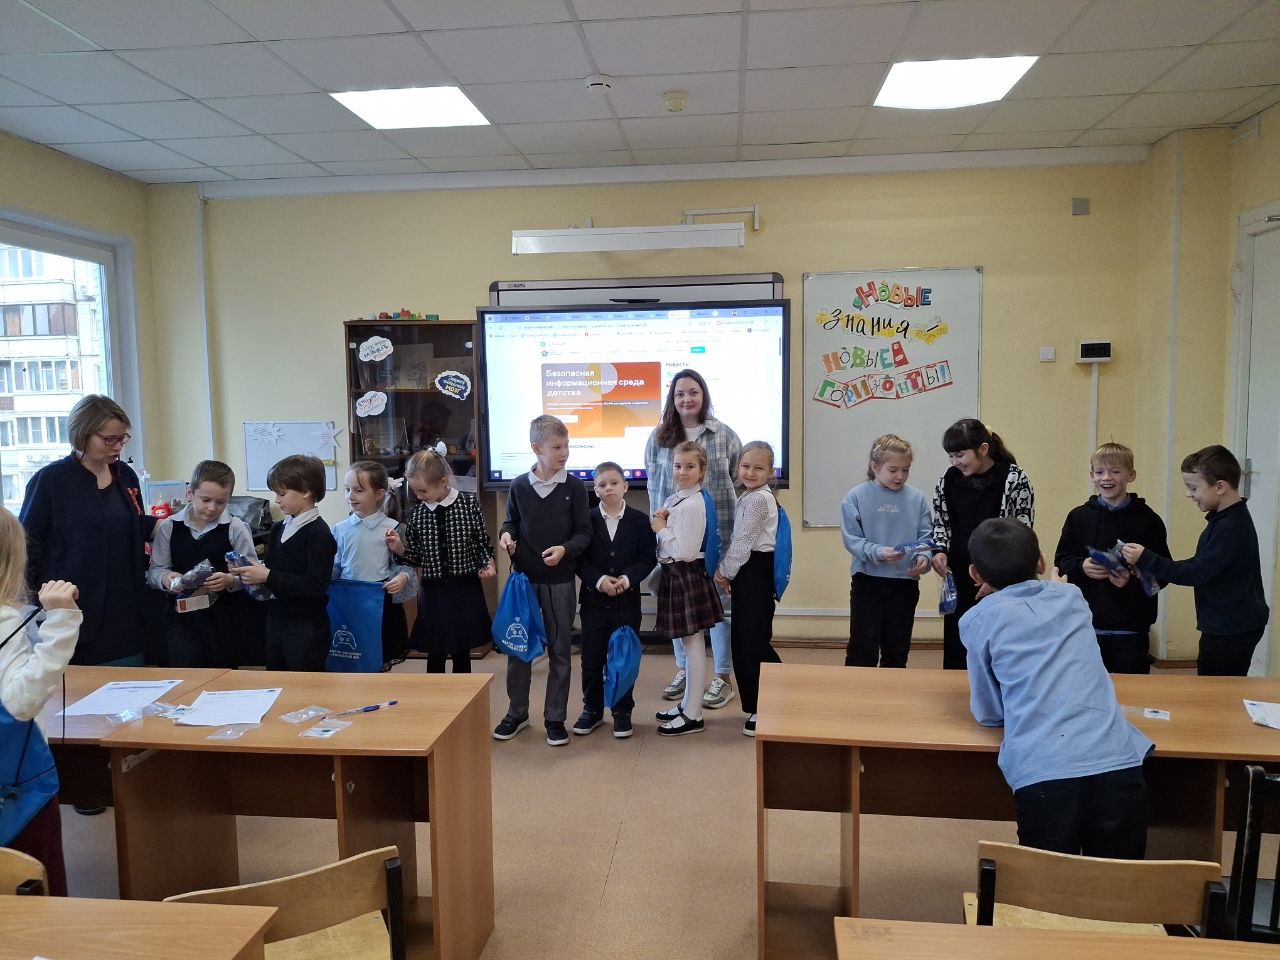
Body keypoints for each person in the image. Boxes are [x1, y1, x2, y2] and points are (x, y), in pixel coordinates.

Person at [962, 518, 1153, 858]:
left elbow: (989, 713)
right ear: (1041, 562)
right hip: (1120, 767)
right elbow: (1052, 598)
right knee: (1119, 880)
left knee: (1049, 882)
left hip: (1044, 776)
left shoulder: (978, 619)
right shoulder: (1072, 595)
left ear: (975, 574)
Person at [19, 394, 155, 666]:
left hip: (124, 611)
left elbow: (134, 527)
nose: (118, 446)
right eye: (109, 440)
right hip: (73, 611)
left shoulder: (125, 476)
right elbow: (27, 547)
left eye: (122, 438)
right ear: (83, 435)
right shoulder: (51, 481)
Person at [1122, 445, 1270, 676]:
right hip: (1227, 622)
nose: (1188, 494)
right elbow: (1200, 562)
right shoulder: (1224, 519)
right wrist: (1150, 561)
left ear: (1219, 487)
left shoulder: (1231, 528)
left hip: (1232, 627)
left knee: (1217, 686)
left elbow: (1196, 573)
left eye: (1193, 488)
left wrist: (1147, 559)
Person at [644, 369, 741, 710]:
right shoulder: (658, 438)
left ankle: (722, 677)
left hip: (716, 535)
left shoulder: (724, 435)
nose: (687, 399)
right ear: (672, 399)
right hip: (673, 537)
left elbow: (737, 481)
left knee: (721, 607)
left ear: (703, 395)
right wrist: (660, 529)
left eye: (693, 392)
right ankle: (685, 670)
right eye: (680, 393)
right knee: (679, 605)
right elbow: (654, 484)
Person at [494, 416, 591, 746]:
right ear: (537, 448)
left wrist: (565, 550)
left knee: (560, 651)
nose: (564, 453)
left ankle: (554, 717)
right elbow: (510, 523)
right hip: (524, 582)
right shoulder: (519, 486)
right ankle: (517, 712)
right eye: (557, 447)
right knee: (519, 649)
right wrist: (506, 537)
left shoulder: (574, 487)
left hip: (560, 582)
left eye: (567, 446)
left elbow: (584, 533)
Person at [0, 506, 82, 896]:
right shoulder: (4, 620)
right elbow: (18, 704)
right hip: (15, 789)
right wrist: (62, 623)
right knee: (33, 892)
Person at [1054, 442, 1170, 674]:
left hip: (1131, 627)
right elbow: (1062, 562)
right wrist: (1081, 566)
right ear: (1091, 476)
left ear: (1131, 475)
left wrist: (1129, 580)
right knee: (1087, 685)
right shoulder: (1078, 517)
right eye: (1099, 472)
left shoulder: (1149, 520)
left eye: (1115, 471)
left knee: (1132, 689)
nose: (1106, 477)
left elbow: (1162, 574)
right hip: (1086, 623)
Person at [930, 419, 1034, 669]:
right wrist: (940, 550)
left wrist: (998, 576)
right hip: (960, 571)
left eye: (960, 455)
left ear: (983, 449)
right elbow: (940, 520)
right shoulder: (948, 478)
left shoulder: (1014, 478)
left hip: (999, 573)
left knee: (996, 639)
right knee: (959, 638)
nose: (955, 462)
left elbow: (1022, 531)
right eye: (951, 456)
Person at [387, 449, 494, 674]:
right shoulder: (417, 514)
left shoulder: (469, 504)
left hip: (464, 589)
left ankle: (464, 692)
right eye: (414, 491)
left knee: (461, 649)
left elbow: (481, 541)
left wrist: (487, 562)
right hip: (433, 592)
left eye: (423, 490)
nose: (418, 496)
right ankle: (435, 691)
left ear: (443, 482)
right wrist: (399, 549)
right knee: (435, 650)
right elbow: (416, 556)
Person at [146, 460, 256, 668]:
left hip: (224, 620)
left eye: (221, 502)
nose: (212, 508)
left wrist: (230, 580)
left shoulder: (236, 527)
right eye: (205, 500)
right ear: (190, 494)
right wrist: (166, 578)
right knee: (184, 672)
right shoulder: (169, 527)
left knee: (223, 674)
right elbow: (155, 571)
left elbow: (252, 574)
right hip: (181, 620)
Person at [231, 455, 336, 672]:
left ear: (306, 491)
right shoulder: (279, 528)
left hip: (306, 627)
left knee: (303, 683)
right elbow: (273, 571)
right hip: (277, 620)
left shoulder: (318, 534)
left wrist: (267, 575)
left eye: (282, 493)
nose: (277, 500)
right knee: (276, 677)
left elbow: (315, 586)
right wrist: (249, 569)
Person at [574, 461, 656, 740]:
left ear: (625, 486)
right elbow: (579, 559)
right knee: (591, 659)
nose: (608, 488)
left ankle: (622, 711)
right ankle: (592, 709)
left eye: (614, 483)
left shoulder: (640, 521)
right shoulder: (585, 521)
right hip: (593, 603)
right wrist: (599, 581)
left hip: (627, 602)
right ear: (595, 489)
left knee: (624, 659)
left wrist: (628, 578)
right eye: (602, 484)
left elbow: (647, 557)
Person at [840, 434, 932, 669]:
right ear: (875, 467)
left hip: (904, 584)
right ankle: (858, 690)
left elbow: (926, 537)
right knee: (863, 647)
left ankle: (893, 691)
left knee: (897, 648)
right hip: (867, 582)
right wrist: (878, 552)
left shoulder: (917, 498)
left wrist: (925, 556)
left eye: (906, 470)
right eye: (893, 470)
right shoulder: (856, 496)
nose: (900, 476)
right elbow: (853, 540)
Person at [653, 441, 725, 736]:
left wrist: (660, 529)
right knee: (687, 643)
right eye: (678, 466)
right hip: (676, 575)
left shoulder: (693, 504)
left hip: (686, 573)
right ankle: (686, 704)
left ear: (702, 470)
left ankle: (694, 714)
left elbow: (683, 551)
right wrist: (664, 519)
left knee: (693, 645)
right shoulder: (677, 499)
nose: (682, 472)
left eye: (690, 466)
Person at [715, 441, 782, 737]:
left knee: (753, 640)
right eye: (745, 466)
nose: (750, 472)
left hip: (755, 570)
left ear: (770, 471)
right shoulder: (748, 496)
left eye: (759, 468)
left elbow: (743, 542)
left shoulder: (759, 500)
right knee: (744, 639)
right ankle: (762, 702)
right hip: (748, 571)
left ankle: (769, 702)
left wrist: (724, 572)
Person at [333, 460, 415, 670]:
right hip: (349, 600)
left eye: (358, 490)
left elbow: (406, 563)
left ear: (379, 494)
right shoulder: (340, 529)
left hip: (380, 600)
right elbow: (336, 565)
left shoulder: (393, 528)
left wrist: (403, 577)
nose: (350, 496)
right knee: (352, 652)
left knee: (378, 652)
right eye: (347, 489)